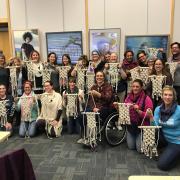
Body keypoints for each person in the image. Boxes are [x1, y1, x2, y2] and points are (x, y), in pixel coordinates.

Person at [78, 71, 115, 143]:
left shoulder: (108, 86)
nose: (99, 77)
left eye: (101, 76)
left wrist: (98, 94)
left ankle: (92, 137)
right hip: (94, 108)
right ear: (95, 77)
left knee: (92, 116)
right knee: (81, 116)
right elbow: (90, 100)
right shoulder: (93, 87)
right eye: (97, 76)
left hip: (105, 108)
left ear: (104, 77)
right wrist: (93, 108)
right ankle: (85, 135)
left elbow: (108, 98)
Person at [153, 86, 180, 171]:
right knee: (149, 134)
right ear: (162, 96)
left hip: (176, 141)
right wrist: (151, 118)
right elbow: (156, 126)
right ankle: (167, 151)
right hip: (164, 138)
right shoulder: (158, 109)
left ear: (173, 97)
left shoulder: (179, 110)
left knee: (162, 165)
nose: (167, 97)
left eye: (170, 95)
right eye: (165, 94)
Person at [124, 79, 153, 152]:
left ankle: (147, 138)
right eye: (133, 86)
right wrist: (118, 108)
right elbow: (124, 112)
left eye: (137, 86)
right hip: (131, 126)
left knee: (140, 150)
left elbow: (149, 115)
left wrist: (138, 111)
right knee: (131, 147)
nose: (135, 88)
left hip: (141, 127)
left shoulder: (147, 98)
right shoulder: (128, 97)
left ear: (141, 87)